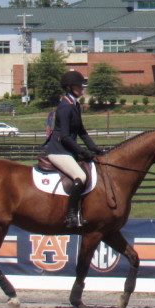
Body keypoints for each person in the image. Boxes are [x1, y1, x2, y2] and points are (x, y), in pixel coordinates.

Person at [41, 70, 105, 227]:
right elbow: (64, 136)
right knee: (80, 177)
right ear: (69, 88)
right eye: (78, 86)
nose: (82, 89)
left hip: (67, 149)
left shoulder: (74, 105)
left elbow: (81, 131)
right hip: (58, 150)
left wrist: (95, 149)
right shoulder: (65, 106)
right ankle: (71, 215)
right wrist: (81, 151)